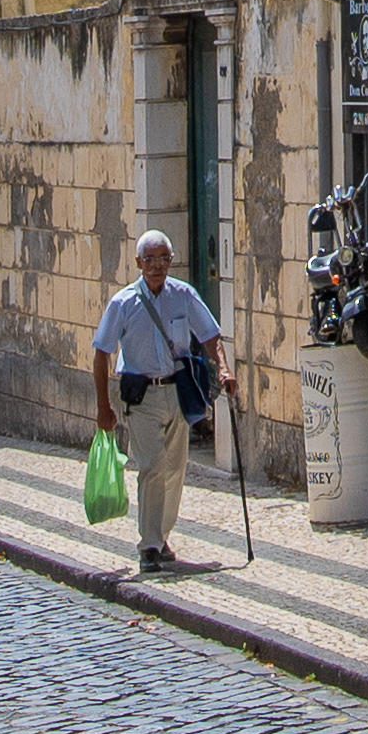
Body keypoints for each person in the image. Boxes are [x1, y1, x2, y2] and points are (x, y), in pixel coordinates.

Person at [88, 230, 226, 576]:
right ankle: (148, 545)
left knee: (176, 468)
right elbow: (101, 353)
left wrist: (223, 368)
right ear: (138, 263)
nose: (157, 266)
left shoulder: (183, 295)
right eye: (150, 259)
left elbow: (210, 334)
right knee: (151, 465)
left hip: (176, 393)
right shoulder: (122, 303)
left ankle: (162, 536)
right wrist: (103, 406)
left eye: (163, 258)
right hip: (142, 396)